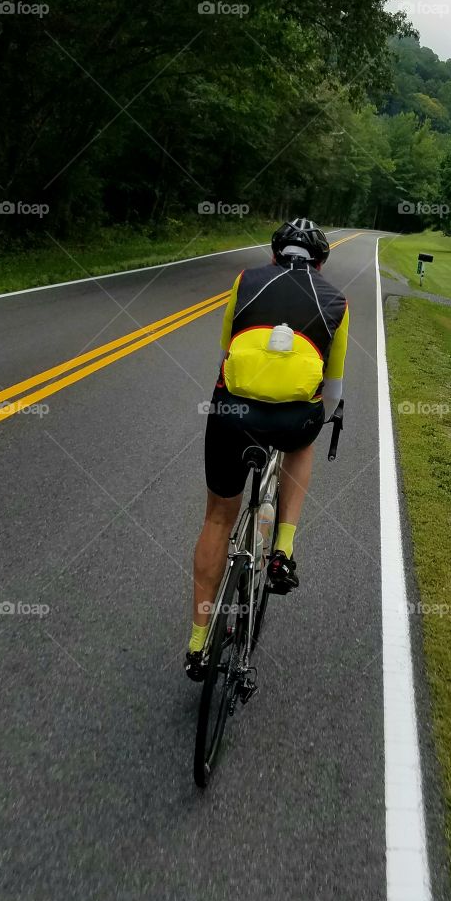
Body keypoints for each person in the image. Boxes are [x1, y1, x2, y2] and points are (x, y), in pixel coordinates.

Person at [185, 218, 349, 680]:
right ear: (320, 262)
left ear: (275, 255)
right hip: (293, 419)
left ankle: (198, 643)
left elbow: (225, 357)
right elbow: (332, 389)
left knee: (218, 517)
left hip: (233, 414)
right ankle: (282, 549)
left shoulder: (245, 281)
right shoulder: (337, 299)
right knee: (304, 442)